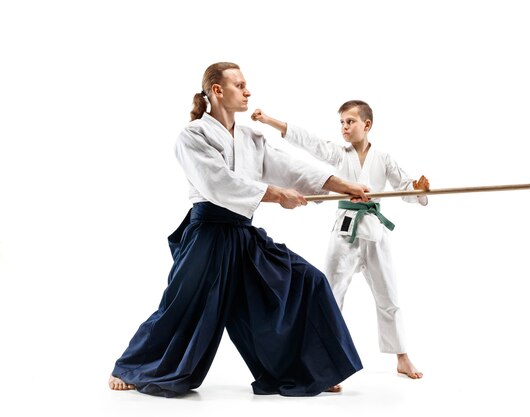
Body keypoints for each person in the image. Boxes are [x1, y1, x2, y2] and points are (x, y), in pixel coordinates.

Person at [108, 62, 370, 398]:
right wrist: (274, 194)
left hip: (242, 235)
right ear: (218, 91)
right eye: (240, 85)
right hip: (208, 234)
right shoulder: (193, 136)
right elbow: (218, 183)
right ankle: (130, 366)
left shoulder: (249, 137)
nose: (248, 91)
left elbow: (288, 167)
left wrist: (342, 185)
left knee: (308, 280)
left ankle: (308, 369)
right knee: (182, 305)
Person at [252, 100, 430, 379]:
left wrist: (418, 190)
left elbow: (405, 188)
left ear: (366, 125)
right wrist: (270, 121)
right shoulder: (338, 155)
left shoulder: (383, 159)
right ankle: (323, 362)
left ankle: (402, 357)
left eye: (350, 122)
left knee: (388, 296)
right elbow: (308, 142)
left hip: (374, 233)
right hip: (344, 233)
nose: (345, 127)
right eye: (342, 123)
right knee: (331, 295)